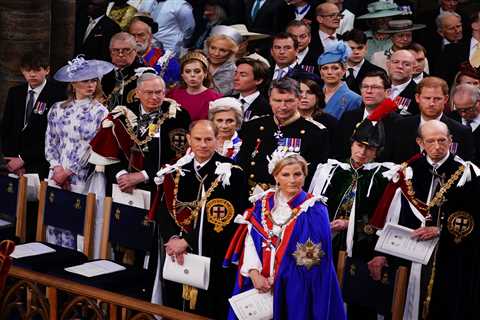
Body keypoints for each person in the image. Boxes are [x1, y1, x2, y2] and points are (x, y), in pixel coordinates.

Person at [369, 120, 480, 320]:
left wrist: (440, 230)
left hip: (448, 255)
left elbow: (473, 219)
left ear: (451, 140)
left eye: (442, 140)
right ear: (420, 142)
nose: (437, 147)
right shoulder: (407, 171)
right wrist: (381, 252)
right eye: (430, 141)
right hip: (405, 254)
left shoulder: (467, 173)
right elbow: (393, 214)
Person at [224, 151, 346, 320]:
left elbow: (312, 258)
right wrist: (254, 274)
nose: (292, 180)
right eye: (285, 174)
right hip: (258, 282)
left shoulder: (315, 209)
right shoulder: (262, 203)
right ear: (276, 177)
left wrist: (278, 279)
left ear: (305, 176)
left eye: (298, 174)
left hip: (297, 286)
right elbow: (250, 241)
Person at [154, 120, 249, 319]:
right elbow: (164, 209)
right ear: (189, 139)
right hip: (175, 251)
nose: (203, 144)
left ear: (217, 140)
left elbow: (226, 219)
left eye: (208, 139)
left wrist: (186, 241)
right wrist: (172, 238)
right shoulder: (178, 169)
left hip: (213, 251)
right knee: (175, 304)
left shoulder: (231, 173)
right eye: (197, 139)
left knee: (208, 308)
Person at [309, 106, 397, 319]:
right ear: (351, 144)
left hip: (362, 248)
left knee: (358, 303)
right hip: (326, 243)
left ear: (378, 151)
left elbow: (387, 216)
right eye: (359, 145)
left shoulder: (386, 176)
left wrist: (351, 225)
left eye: (370, 148)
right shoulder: (329, 171)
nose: (362, 152)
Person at [89, 72, 191, 194]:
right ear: (137, 93)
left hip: (159, 187)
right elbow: (108, 152)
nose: (154, 97)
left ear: (164, 93)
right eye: (149, 92)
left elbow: (180, 156)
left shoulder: (178, 116)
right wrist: (122, 177)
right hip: (122, 186)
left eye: (158, 92)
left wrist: (143, 175)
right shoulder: (122, 114)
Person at [236, 77, 330, 190]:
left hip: (288, 197)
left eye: (289, 101)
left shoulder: (315, 132)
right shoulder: (253, 126)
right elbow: (242, 163)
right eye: (277, 101)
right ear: (269, 100)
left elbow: (314, 176)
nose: (283, 106)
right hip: (251, 195)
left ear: (299, 100)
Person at [46, 56, 112, 192]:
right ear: (73, 83)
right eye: (85, 80)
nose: (90, 85)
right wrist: (57, 168)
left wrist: (68, 172)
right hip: (56, 173)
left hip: (82, 175)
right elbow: (51, 141)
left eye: (94, 80)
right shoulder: (57, 108)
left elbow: (94, 147)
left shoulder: (100, 111)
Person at [1, 51, 65, 179]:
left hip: (41, 163)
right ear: (22, 71)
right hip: (13, 164)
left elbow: (54, 135)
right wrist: (13, 160)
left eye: (37, 70)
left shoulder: (58, 95)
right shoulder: (15, 93)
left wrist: (23, 159)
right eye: (27, 70)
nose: (32, 74)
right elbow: (6, 128)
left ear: (47, 70)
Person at [389, 76, 475, 163]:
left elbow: (467, 167)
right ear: (417, 98)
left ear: (446, 99)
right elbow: (388, 160)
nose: (431, 103)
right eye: (427, 98)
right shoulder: (399, 126)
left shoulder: (461, 131)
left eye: (437, 99)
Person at [335, 70, 399, 161]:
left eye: (375, 87)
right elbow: (338, 151)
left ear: (387, 92)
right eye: (365, 87)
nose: (368, 91)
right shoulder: (348, 117)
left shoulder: (398, 123)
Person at [167, 51, 222, 121]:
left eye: (197, 71)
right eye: (187, 71)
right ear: (182, 75)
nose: (192, 75)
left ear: (205, 73)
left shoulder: (215, 99)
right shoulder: (173, 94)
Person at [128, 15, 180, 87]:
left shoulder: (168, 62)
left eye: (141, 35)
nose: (136, 39)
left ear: (150, 36)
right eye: (132, 35)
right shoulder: (123, 60)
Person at [101, 32, 145, 110]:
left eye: (126, 50)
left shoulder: (146, 74)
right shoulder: (103, 74)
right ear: (110, 52)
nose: (120, 54)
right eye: (116, 50)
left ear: (135, 51)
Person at [319, 41, 362, 120]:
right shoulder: (314, 94)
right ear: (320, 72)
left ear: (344, 70)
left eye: (335, 68)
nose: (329, 72)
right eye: (325, 68)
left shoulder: (354, 99)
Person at [342, 29, 386, 94]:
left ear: (366, 48)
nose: (356, 52)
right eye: (351, 48)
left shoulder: (378, 72)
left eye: (360, 48)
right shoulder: (333, 70)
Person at [232, 56, 272, 123]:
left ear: (258, 80)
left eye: (243, 75)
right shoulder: (226, 100)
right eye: (236, 73)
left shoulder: (267, 107)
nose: (236, 78)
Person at [205, 25, 242, 95]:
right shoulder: (199, 61)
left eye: (222, 50)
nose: (216, 53)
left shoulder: (233, 72)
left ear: (231, 52)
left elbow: (218, 95)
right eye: (213, 48)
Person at [449, 84, 480, 164]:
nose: (462, 114)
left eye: (467, 109)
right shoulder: (449, 120)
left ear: (478, 102)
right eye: (459, 109)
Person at [386, 49, 419, 116]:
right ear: (388, 65)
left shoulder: (418, 93)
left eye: (406, 64)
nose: (399, 66)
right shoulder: (377, 87)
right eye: (396, 62)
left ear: (414, 69)